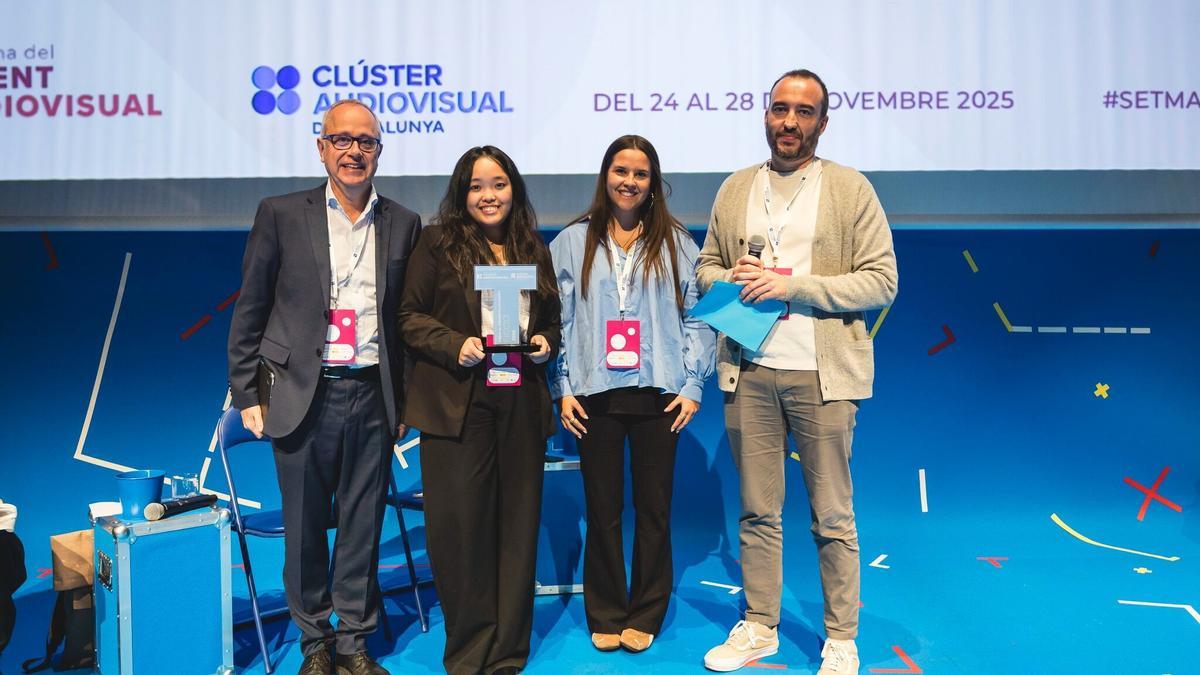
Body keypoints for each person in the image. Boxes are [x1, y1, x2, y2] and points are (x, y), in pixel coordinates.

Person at [697, 70, 899, 675]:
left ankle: (841, 637)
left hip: (822, 374)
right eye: (780, 109)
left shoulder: (849, 188)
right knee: (758, 510)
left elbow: (882, 280)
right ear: (766, 115)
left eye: (804, 112)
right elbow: (704, 267)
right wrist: (730, 278)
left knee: (831, 513)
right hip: (748, 370)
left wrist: (794, 286)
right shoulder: (736, 187)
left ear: (823, 122)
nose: (789, 121)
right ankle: (759, 625)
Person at [227, 99, 420, 675]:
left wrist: (403, 400)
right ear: (321, 147)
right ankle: (314, 642)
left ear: (379, 151)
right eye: (342, 140)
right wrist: (247, 393)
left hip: (371, 393)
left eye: (366, 142)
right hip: (298, 393)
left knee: (363, 523)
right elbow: (250, 309)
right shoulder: (282, 213)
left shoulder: (403, 223)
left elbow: (404, 326)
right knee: (306, 527)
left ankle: (353, 643)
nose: (354, 151)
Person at [549, 135, 714, 655]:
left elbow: (699, 317)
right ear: (605, 176)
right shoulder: (570, 243)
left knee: (654, 509)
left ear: (653, 182)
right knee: (602, 510)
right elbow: (557, 321)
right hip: (593, 395)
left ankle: (645, 610)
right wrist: (562, 386)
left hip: (659, 395)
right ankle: (606, 610)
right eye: (620, 170)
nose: (629, 181)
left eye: (640, 174)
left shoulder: (678, 243)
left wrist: (693, 385)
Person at [399, 146, 561, 675]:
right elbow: (408, 317)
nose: (488, 196)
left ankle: (508, 651)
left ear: (514, 188)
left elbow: (554, 322)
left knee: (516, 528)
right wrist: (454, 344)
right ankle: (469, 653)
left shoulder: (532, 247)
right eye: (475, 186)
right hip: (456, 403)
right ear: (461, 193)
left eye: (498, 184)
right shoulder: (436, 243)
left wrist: (543, 342)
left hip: (519, 402)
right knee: (459, 531)